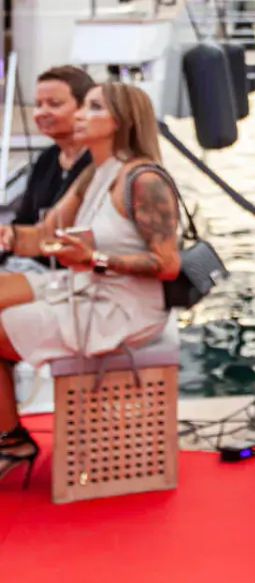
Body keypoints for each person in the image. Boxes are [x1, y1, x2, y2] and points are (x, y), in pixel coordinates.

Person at [0, 82, 183, 491]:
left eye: (93, 108)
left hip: (124, 308)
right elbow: (45, 237)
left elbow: (168, 265)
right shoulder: (95, 172)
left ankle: (11, 442)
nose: (79, 115)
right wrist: (9, 236)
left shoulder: (145, 180)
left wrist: (94, 260)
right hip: (80, 287)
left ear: (120, 121)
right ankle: (10, 435)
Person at [1, 66, 94, 273]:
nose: (42, 112)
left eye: (54, 104)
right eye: (38, 104)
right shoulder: (47, 158)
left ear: (83, 108)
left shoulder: (97, 162)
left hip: (68, 271)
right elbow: (24, 220)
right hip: (26, 263)